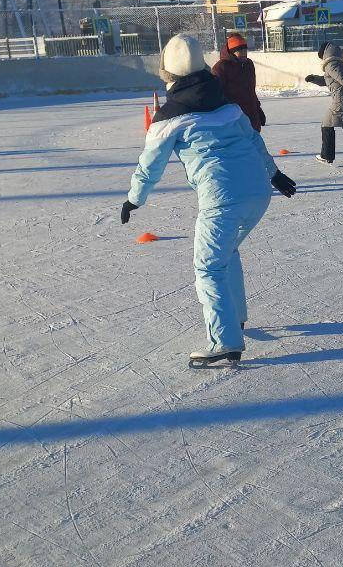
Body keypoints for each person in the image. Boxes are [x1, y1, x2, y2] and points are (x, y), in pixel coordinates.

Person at [120, 34, 296, 366]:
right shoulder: (228, 106)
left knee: (208, 266)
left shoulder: (169, 117)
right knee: (226, 253)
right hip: (258, 192)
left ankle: (225, 341)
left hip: (222, 196)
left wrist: (134, 199)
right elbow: (254, 141)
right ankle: (237, 318)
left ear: (167, 74)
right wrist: (273, 174)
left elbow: (150, 165)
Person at [304, 42, 343, 164]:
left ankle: (326, 156)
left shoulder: (332, 65)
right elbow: (329, 80)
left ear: (325, 53)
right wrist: (314, 79)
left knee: (327, 124)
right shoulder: (335, 65)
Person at [211, 33, 267, 133]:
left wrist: (258, 109)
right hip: (234, 120)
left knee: (255, 146)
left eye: (245, 49)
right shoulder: (221, 68)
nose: (243, 53)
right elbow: (216, 96)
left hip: (252, 117)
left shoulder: (248, 65)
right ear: (232, 52)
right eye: (239, 50)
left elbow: (250, 91)